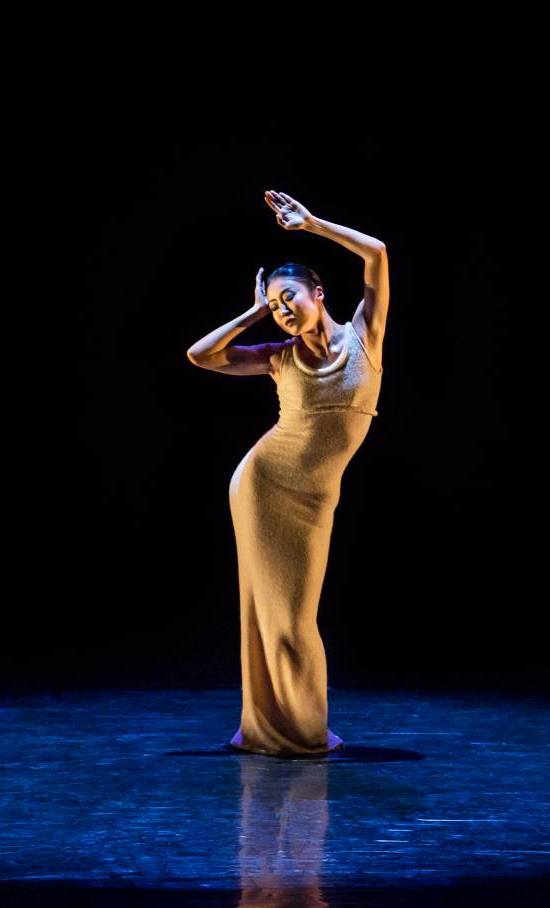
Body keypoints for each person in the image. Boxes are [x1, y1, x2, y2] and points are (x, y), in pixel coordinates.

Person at [186, 190, 389, 757]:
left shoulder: (364, 338)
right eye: (275, 306)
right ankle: (296, 733)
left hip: (316, 498)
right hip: (264, 486)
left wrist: (313, 224)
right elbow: (201, 356)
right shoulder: (279, 354)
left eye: (289, 298)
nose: (282, 311)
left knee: (289, 614)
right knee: (281, 616)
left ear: (319, 294)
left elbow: (376, 254)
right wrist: (253, 313)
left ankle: (275, 726)